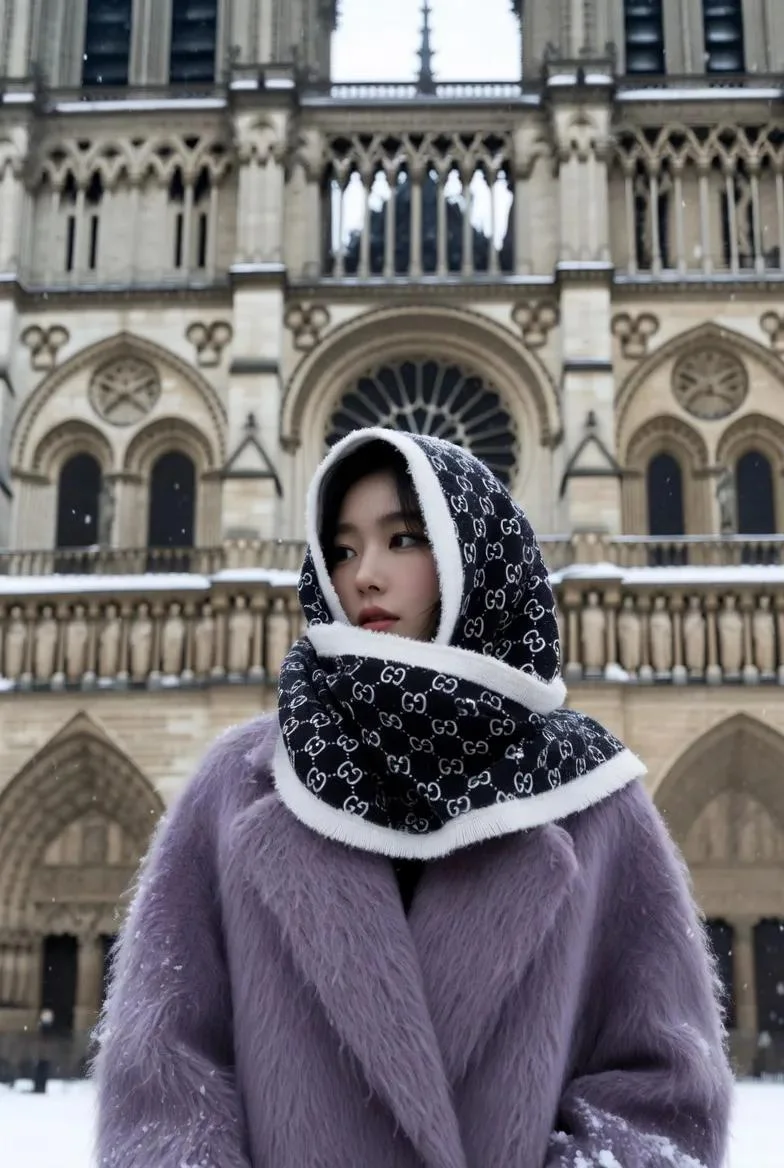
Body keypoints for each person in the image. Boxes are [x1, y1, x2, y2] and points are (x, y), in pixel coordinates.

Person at [93, 428, 733, 1168]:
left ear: (476, 554)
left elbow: (664, 1091)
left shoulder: (592, 797)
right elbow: (164, 1071)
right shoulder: (238, 784)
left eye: (402, 539)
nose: (363, 573)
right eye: (340, 548)